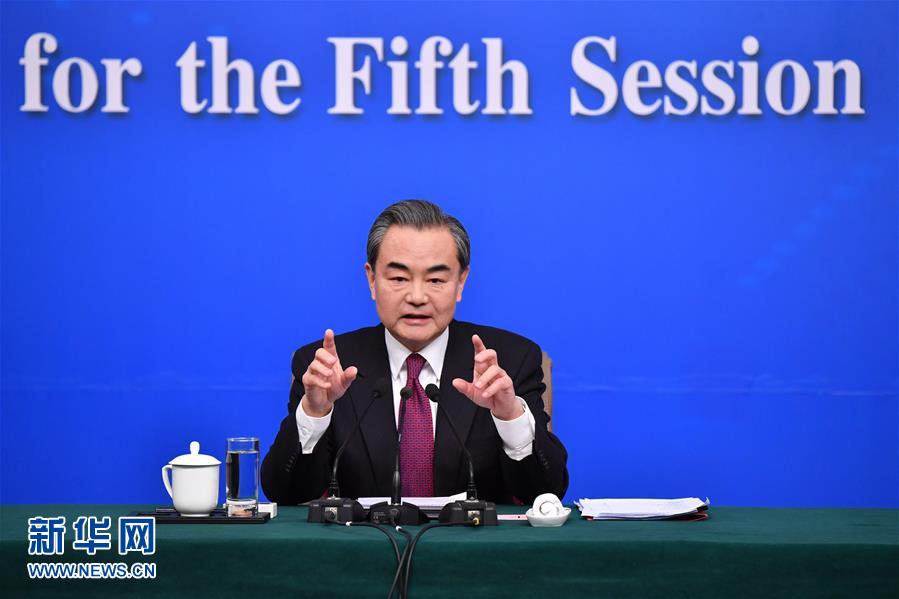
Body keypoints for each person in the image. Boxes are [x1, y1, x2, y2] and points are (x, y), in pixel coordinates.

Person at [261, 200, 568, 504]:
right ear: (372, 279)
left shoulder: (510, 361)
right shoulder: (329, 367)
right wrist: (314, 413)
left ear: (460, 282)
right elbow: (286, 494)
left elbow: (546, 493)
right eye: (399, 278)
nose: (417, 296)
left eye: (435, 280)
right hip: (364, 537)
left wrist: (509, 416)